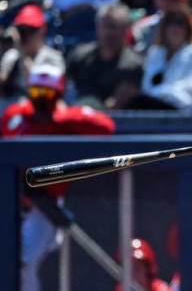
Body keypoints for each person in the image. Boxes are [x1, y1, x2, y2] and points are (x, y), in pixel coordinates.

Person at [1, 62, 115, 291]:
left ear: (59, 92)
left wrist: (59, 118)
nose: (41, 99)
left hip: (44, 207)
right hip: (13, 200)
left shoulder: (66, 119)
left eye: (47, 93)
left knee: (22, 261)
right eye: (36, 92)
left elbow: (106, 127)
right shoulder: (17, 116)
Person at [130, 4, 192, 110]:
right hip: (158, 106)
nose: (174, 28)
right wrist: (163, 94)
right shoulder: (156, 52)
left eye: (180, 23)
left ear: (188, 27)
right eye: (169, 23)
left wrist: (164, 93)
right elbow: (147, 86)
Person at [66, 3, 144, 109]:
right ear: (97, 27)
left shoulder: (134, 65)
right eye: (105, 26)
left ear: (126, 29)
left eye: (114, 27)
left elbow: (114, 104)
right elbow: (65, 91)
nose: (109, 32)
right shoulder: (79, 55)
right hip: (76, 114)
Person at [0, 5, 64, 102]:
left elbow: (41, 92)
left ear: (42, 28)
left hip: (37, 114)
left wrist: (22, 53)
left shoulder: (53, 57)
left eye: (30, 30)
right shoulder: (11, 56)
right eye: (21, 30)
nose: (26, 35)